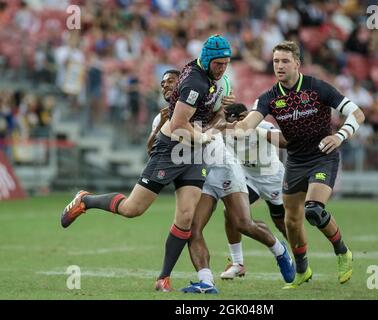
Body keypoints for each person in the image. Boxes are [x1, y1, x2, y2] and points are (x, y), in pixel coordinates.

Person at [60, 34, 233, 292]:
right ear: (207, 60)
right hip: (171, 149)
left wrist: (219, 112)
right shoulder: (195, 82)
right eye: (219, 63)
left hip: (193, 153)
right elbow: (179, 125)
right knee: (132, 209)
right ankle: (86, 200)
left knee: (186, 216)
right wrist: (205, 136)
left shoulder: (210, 77)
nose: (223, 68)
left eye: (226, 63)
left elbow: (208, 112)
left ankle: (163, 277)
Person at [232, 41, 365, 288]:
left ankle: (342, 251)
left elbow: (357, 113)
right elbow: (248, 124)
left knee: (313, 210)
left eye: (284, 61)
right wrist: (230, 126)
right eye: (275, 62)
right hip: (295, 161)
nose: (279, 66)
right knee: (291, 221)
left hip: (323, 156)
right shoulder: (269, 98)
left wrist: (339, 136)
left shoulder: (317, 88)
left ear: (297, 63)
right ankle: (303, 269)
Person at [181, 109, 295, 294]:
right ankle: (209, 279)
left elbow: (284, 141)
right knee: (193, 228)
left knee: (252, 223)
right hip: (223, 175)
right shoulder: (192, 115)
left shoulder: (258, 125)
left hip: (266, 177)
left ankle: (281, 250)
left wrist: (252, 127)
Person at [219, 103, 288, 280]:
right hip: (248, 178)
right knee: (230, 212)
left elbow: (285, 140)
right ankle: (237, 263)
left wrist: (258, 131)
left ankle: (301, 257)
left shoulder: (262, 126)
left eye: (229, 121)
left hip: (272, 178)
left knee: (283, 223)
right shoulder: (224, 132)